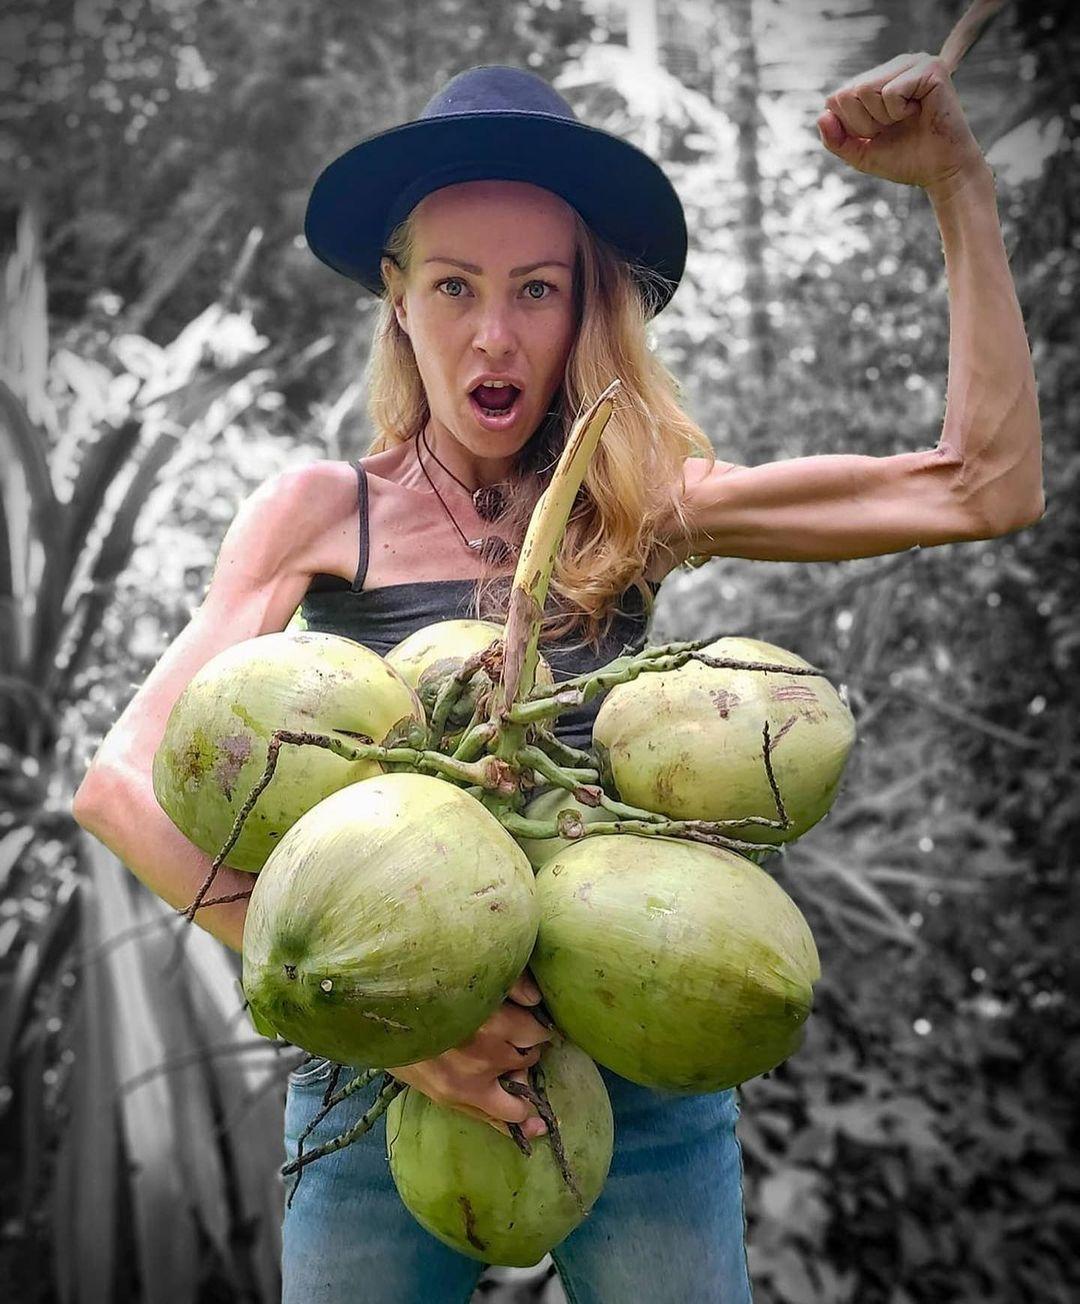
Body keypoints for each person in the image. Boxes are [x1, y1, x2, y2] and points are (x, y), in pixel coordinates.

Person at [74, 54, 1042, 1304]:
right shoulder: (320, 512)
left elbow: (982, 485)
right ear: (397, 298)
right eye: (454, 285)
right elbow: (118, 784)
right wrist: (398, 1027)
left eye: (537, 288)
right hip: (381, 1065)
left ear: (585, 308)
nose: (494, 333)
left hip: (631, 1047)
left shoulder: (632, 502)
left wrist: (958, 182)